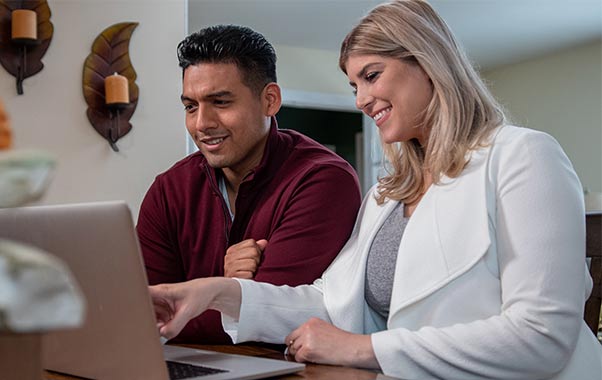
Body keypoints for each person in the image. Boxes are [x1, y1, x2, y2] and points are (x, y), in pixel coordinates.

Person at [148, 1, 602, 378]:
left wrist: (367, 349)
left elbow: (542, 336)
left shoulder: (523, 156)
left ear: (428, 63)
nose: (360, 99)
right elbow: (329, 301)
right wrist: (214, 292)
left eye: (371, 75)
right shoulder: (388, 194)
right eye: (353, 85)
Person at [137, 25, 362, 344]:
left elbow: (269, 319)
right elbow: (144, 312)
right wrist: (227, 286)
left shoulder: (323, 180)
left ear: (269, 100)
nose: (202, 123)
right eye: (191, 106)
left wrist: (223, 297)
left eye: (221, 102)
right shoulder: (168, 190)